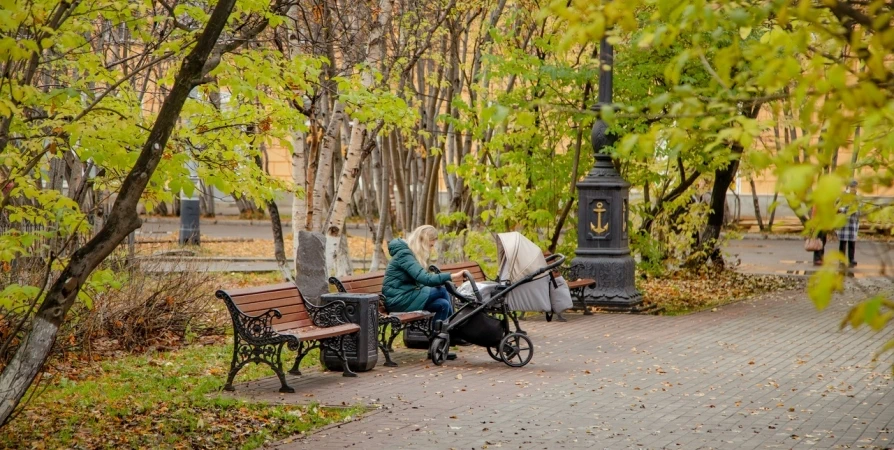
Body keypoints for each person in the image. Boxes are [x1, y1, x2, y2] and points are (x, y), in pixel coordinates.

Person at [383, 225, 464, 326]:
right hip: (398, 300)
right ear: (422, 242)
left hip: (407, 296)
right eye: (430, 245)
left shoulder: (410, 254)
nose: (431, 249)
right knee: (442, 291)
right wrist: (452, 276)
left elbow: (421, 281)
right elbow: (425, 279)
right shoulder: (404, 255)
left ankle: (437, 338)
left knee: (443, 304)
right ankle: (455, 328)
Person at [837, 180, 860, 268]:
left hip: (853, 221)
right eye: (852, 187)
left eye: (855, 187)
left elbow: (860, 207)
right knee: (843, 241)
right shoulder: (843, 195)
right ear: (849, 187)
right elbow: (838, 206)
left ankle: (851, 259)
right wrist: (844, 210)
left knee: (852, 241)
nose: (854, 189)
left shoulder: (858, 196)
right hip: (844, 221)